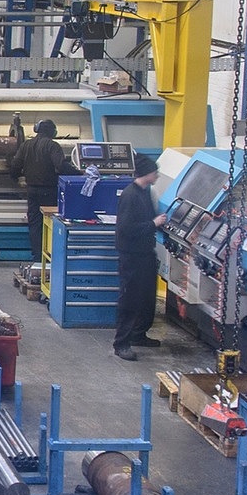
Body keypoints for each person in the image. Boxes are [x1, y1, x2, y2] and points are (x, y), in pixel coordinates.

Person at [112, 150, 163, 360]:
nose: (157, 175)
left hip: (145, 254)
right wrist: (153, 224)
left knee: (146, 298)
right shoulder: (130, 195)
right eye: (155, 172)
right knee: (130, 300)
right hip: (131, 256)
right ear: (147, 173)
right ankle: (121, 344)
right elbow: (126, 229)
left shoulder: (145, 193)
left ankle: (138, 334)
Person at [14, 118, 66, 257]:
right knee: (51, 223)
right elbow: (61, 166)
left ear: (37, 130)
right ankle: (51, 255)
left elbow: (15, 164)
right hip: (50, 191)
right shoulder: (53, 146)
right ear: (53, 132)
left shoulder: (26, 145)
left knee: (35, 223)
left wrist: (15, 178)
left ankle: (37, 256)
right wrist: (79, 174)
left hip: (32, 191)